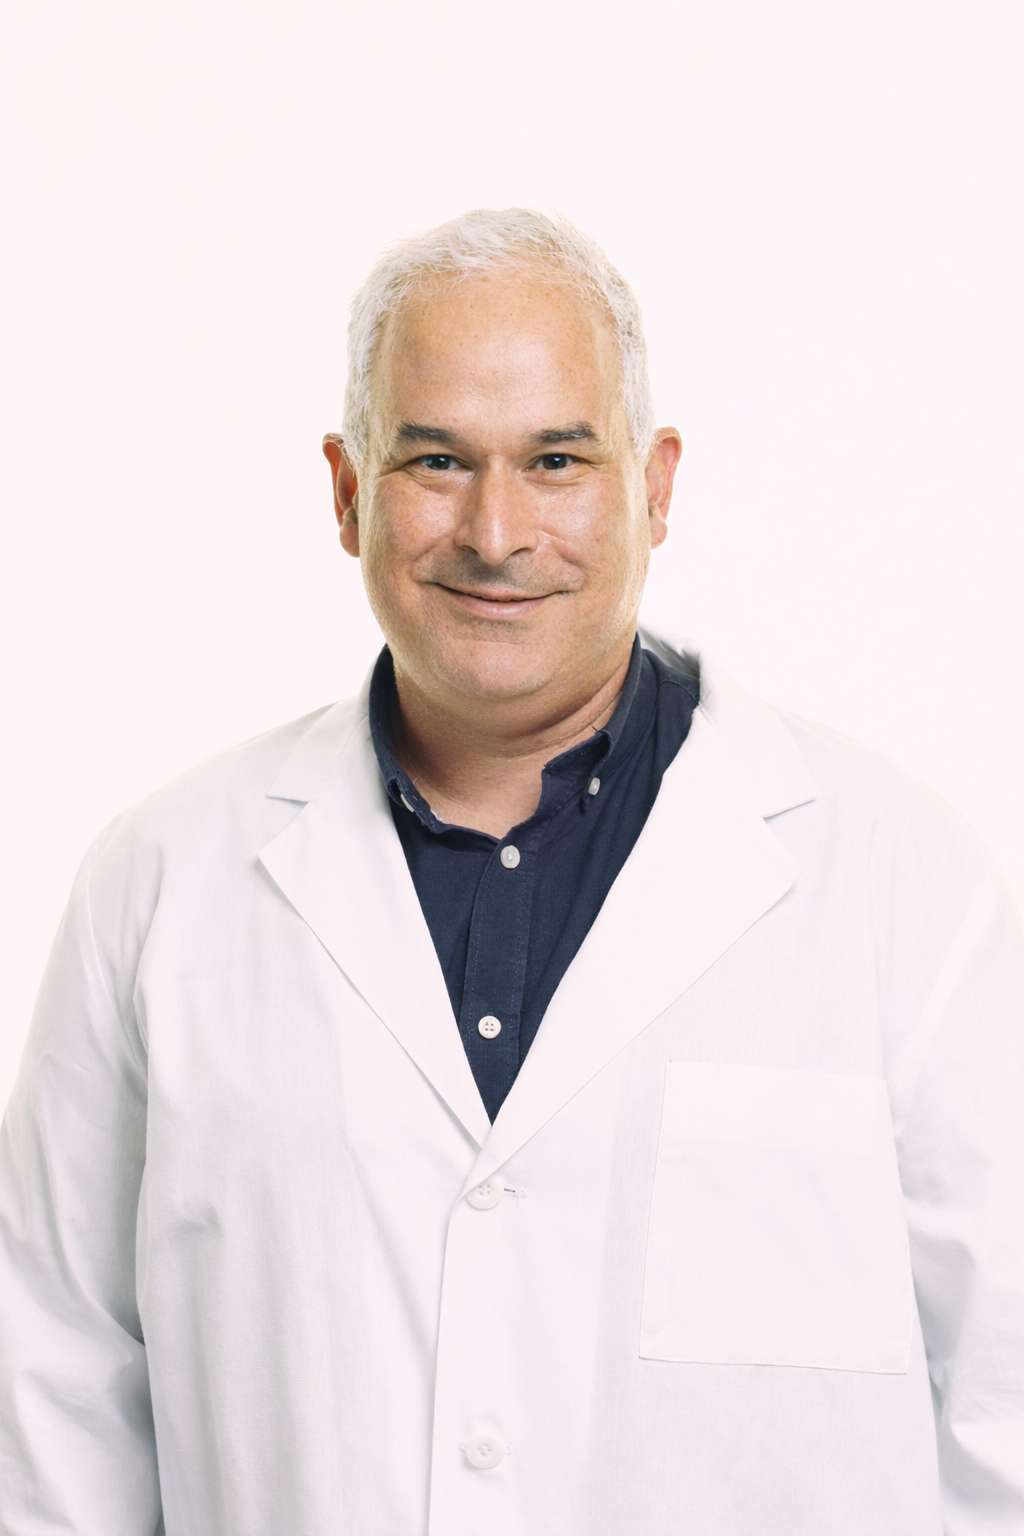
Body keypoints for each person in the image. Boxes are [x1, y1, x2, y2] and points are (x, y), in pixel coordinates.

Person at [0, 208, 1021, 1536]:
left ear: (653, 487)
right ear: (347, 489)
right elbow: (54, 1406)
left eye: (556, 458)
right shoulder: (163, 882)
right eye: (435, 459)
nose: (496, 530)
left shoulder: (900, 882)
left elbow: (1004, 1407)